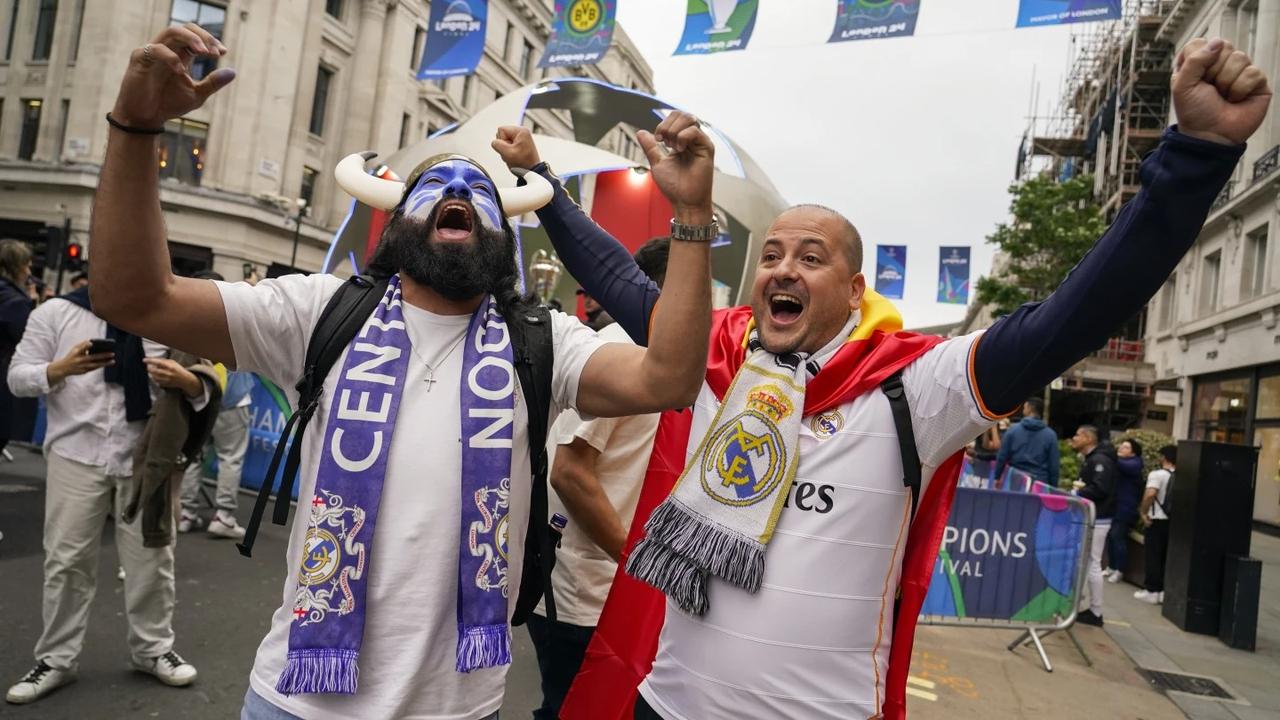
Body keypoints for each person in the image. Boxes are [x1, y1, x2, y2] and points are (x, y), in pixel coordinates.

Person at [491, 36, 1271, 720]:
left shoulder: (917, 388)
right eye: (770, 254)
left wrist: (1192, 157)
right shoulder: (713, 358)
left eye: (810, 257)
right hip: (665, 702)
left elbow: (1076, 313)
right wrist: (546, 186)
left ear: (855, 292)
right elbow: (619, 279)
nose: (782, 269)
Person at [89, 23, 715, 720]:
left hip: (458, 708)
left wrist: (691, 215)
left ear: (503, 233)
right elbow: (134, 297)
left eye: (478, 190)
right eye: (437, 184)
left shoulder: (543, 339)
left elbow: (671, 378)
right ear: (396, 224)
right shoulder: (317, 310)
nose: (458, 191)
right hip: (294, 704)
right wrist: (136, 129)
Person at [4, 283, 211, 705]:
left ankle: (152, 649)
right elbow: (16, 377)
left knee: (153, 559)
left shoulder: (166, 315)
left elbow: (206, 382)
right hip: (75, 453)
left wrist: (189, 381)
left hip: (145, 458)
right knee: (66, 561)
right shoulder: (57, 313)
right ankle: (56, 659)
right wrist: (57, 370)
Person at [528, 238, 670, 719]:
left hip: (615, 594)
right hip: (584, 599)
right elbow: (569, 471)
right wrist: (643, 566)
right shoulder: (620, 347)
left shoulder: (661, 355)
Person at [178, 270, 253, 540]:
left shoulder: (185, 313)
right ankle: (223, 515)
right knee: (230, 457)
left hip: (197, 394)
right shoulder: (235, 312)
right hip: (232, 399)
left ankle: (186, 511)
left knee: (194, 454)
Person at [1071, 424, 1118, 626]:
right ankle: (1085, 606)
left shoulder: (1099, 461)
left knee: (1092, 562)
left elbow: (1100, 488)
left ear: (1089, 438)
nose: (1074, 438)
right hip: (1093, 517)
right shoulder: (1094, 459)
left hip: (1098, 518)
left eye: (1078, 435)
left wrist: (1078, 493)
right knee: (1089, 562)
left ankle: (1096, 611)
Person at [0, 240, 37, 457]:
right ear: (17, 267)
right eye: (27, 265)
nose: (29, 271)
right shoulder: (14, 302)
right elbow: (25, 337)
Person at [1136, 445, 1176, 604]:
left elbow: (1150, 494)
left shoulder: (1157, 474)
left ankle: (1152, 590)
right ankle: (1164, 591)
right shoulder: (1183, 475)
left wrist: (1143, 512)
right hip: (1174, 521)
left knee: (1153, 555)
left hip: (1156, 519)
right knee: (1167, 557)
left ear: (1164, 458)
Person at [995, 397, 1060, 486]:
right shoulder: (1051, 435)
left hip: (1015, 480)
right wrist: (1053, 487)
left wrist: (997, 477)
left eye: (1024, 407)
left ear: (1029, 408)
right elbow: (1054, 466)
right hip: (1039, 483)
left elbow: (1002, 456)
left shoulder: (1012, 430)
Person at [1106, 437, 1144, 583]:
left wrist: (1113, 455)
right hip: (1115, 505)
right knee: (1111, 536)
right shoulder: (1119, 462)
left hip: (1126, 507)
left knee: (1117, 536)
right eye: (1121, 446)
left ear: (1133, 453)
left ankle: (1119, 570)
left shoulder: (1135, 464)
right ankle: (1111, 566)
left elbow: (1124, 466)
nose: (1121, 448)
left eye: (1126, 447)